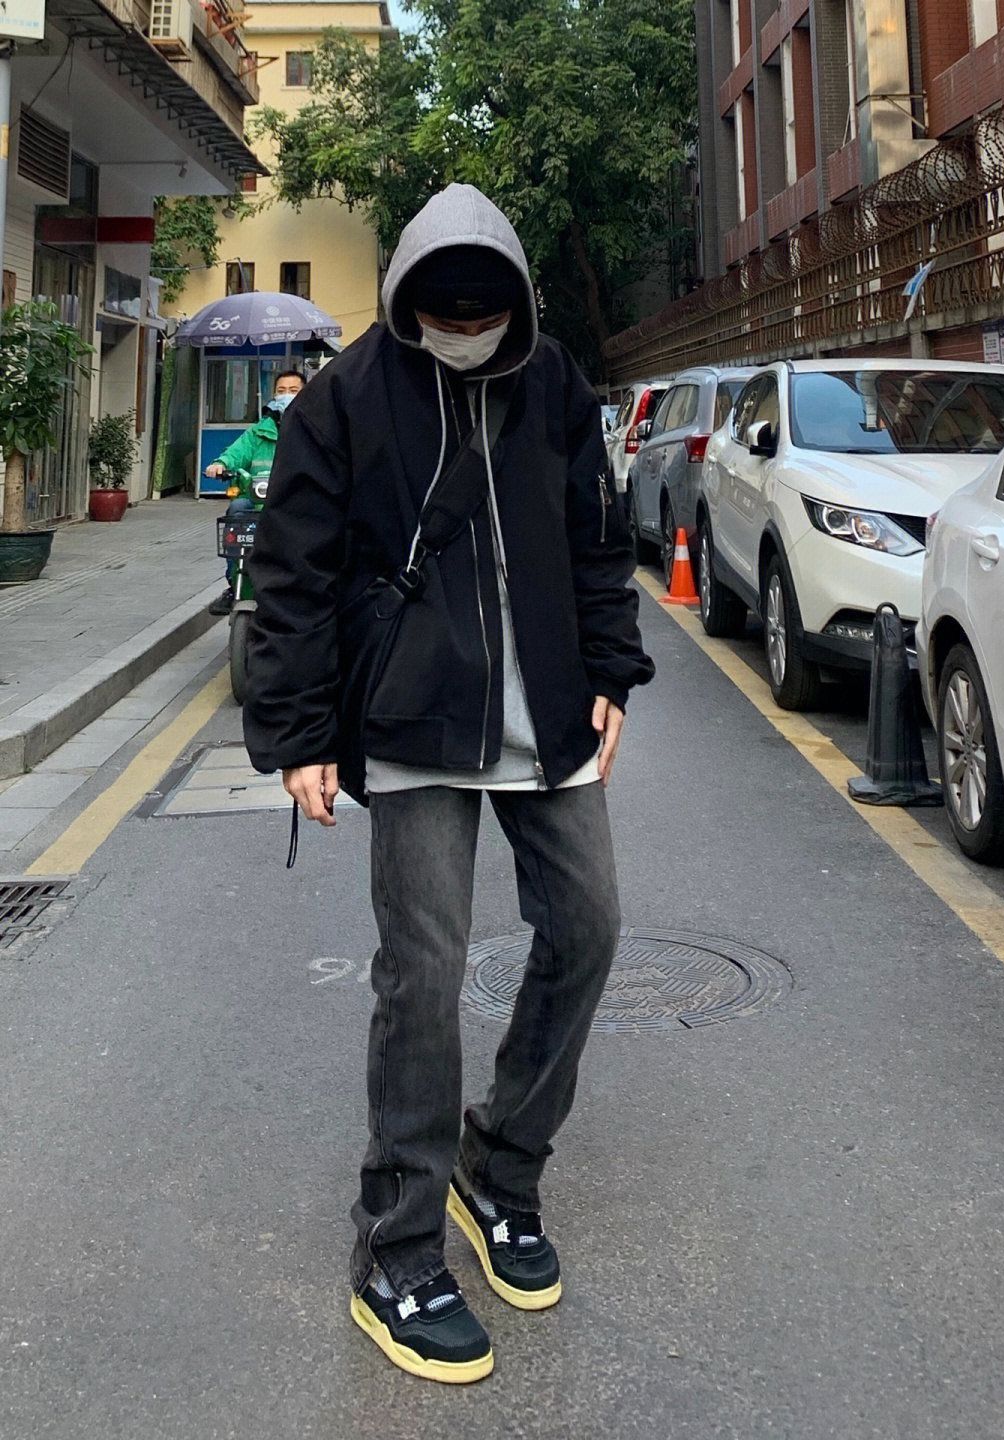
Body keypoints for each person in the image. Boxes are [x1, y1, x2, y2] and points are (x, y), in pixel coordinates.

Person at [244, 183, 654, 1385]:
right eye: (445, 313)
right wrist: (300, 736)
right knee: (422, 973)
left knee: (589, 927)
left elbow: (598, 536)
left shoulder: (553, 383)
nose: (465, 329)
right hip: (414, 718)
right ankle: (398, 1244)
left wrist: (611, 672)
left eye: (484, 313)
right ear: (406, 300)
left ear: (517, 304)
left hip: (548, 712)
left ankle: (502, 1164)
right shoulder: (347, 398)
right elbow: (293, 573)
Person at [205, 369, 306, 615]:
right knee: (237, 509)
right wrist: (221, 464)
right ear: (273, 396)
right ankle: (236, 583)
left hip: (296, 505)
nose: (287, 396)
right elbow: (236, 452)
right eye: (281, 391)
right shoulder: (258, 432)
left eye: (294, 391)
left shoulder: (314, 429)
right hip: (257, 504)